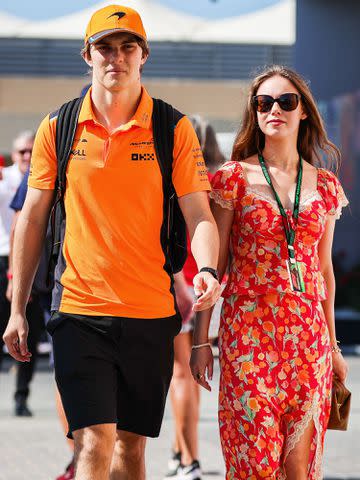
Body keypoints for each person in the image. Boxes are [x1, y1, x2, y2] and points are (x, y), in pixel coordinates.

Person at [3, 5, 220, 480]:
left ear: (145, 56)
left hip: (150, 312)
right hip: (80, 311)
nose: (115, 57)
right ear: (87, 54)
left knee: (130, 450)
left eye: (127, 47)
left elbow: (199, 212)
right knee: (93, 443)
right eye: (104, 46)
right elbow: (32, 219)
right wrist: (18, 307)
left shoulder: (173, 128)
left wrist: (207, 268)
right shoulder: (57, 127)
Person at [190, 65, 349, 479]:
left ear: (304, 113)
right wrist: (201, 340)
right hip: (249, 335)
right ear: (254, 112)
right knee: (254, 461)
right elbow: (217, 264)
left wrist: (333, 347)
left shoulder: (326, 185)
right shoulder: (233, 179)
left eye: (285, 101)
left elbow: (324, 270)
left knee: (299, 465)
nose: (273, 109)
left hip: (308, 337)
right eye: (263, 103)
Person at [166, 116, 225, 480]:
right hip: (212, 283)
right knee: (196, 374)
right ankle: (180, 451)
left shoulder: (177, 179)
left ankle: (189, 460)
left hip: (181, 285)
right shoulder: (222, 181)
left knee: (181, 374)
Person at [0, 130, 44, 417]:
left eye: (31, 151)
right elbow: (17, 227)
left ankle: (21, 396)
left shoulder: (40, 176)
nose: (27, 156)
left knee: (30, 332)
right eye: (21, 153)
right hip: (5, 260)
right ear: (14, 156)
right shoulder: (7, 181)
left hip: (32, 266)